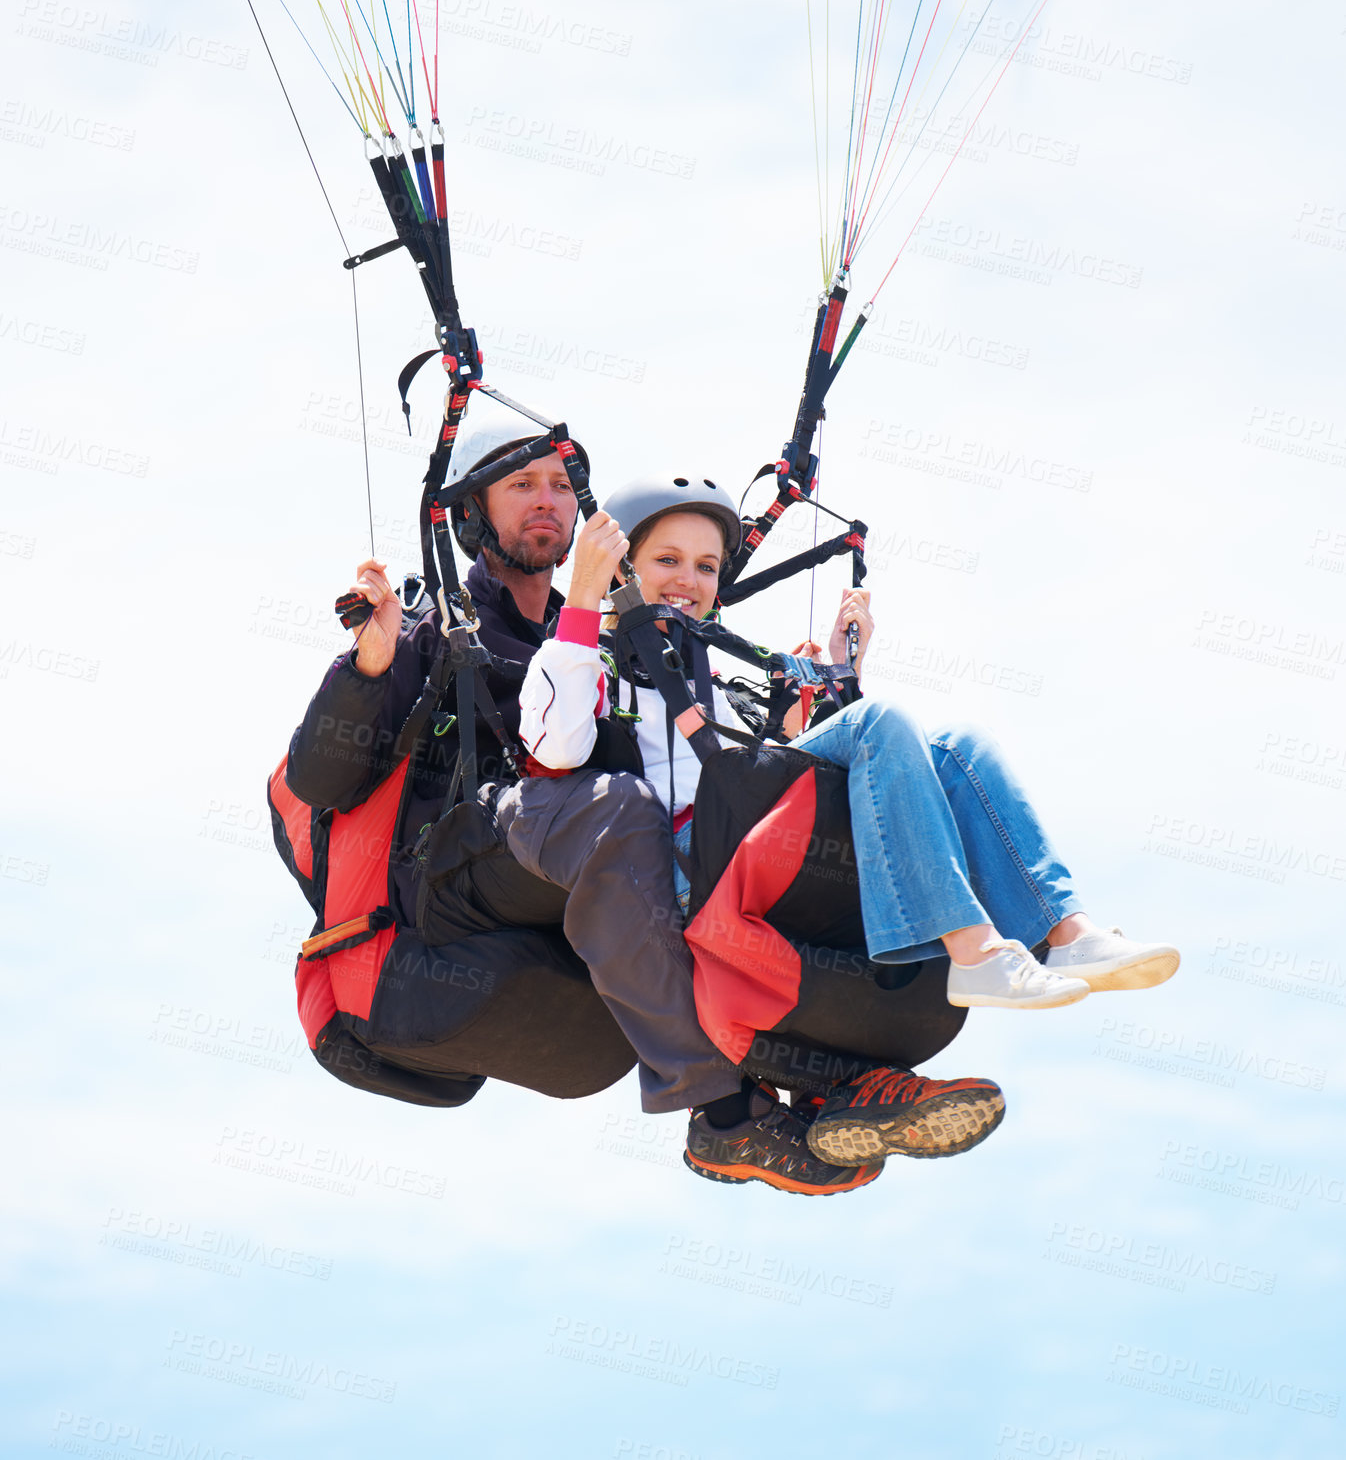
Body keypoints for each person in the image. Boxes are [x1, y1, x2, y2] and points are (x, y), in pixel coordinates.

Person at [288, 412, 885, 1195]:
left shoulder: (619, 640)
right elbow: (320, 779)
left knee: (726, 829)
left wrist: (802, 717)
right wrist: (369, 665)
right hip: (453, 882)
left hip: (565, 883)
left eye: (563, 487)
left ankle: (836, 1078)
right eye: (521, 485)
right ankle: (720, 1110)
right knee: (621, 808)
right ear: (471, 512)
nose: (548, 500)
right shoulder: (432, 629)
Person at [516, 473, 1180, 1170]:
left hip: (756, 839)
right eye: (667, 560)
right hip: (691, 868)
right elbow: (555, 746)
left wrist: (838, 674)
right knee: (882, 723)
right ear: (621, 568)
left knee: (959, 746)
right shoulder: (586, 660)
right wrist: (585, 598)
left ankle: (1062, 931)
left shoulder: (719, 681)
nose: (689, 579)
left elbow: (794, 767)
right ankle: (976, 952)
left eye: (706, 566)